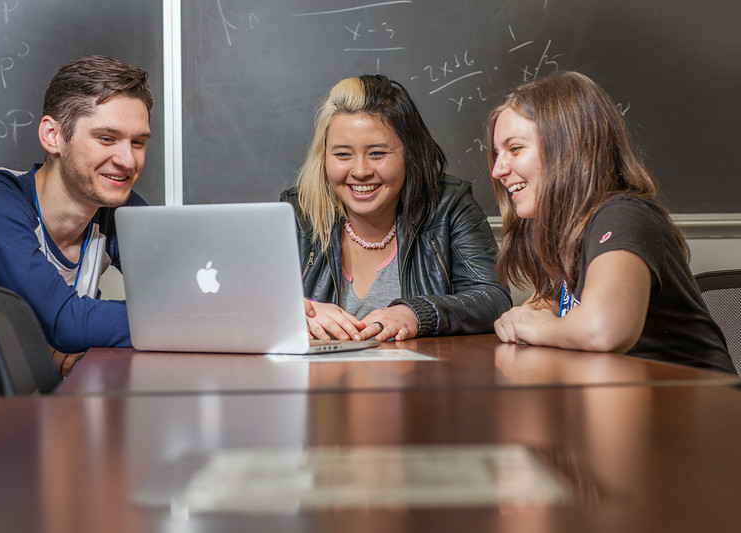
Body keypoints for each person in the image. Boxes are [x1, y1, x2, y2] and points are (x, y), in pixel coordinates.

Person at [488, 70, 732, 373]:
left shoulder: (623, 214)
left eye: (515, 149)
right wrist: (531, 321)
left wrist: (539, 328)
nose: (498, 170)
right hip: (626, 400)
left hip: (695, 411)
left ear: (567, 148)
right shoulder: (565, 231)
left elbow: (602, 330)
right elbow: (529, 314)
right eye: (497, 153)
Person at [0, 55, 153, 373]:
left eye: (138, 142)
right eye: (106, 138)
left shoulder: (116, 209)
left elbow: (190, 295)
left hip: (42, 413)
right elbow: (66, 324)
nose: (127, 160)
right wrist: (78, 327)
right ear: (53, 135)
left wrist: (91, 332)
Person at [281, 74, 512, 342]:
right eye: (343, 154)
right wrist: (298, 311)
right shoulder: (296, 214)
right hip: (319, 382)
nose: (360, 171)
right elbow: (242, 301)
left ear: (409, 154)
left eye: (377, 153)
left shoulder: (449, 205)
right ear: (323, 158)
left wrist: (416, 313)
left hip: (422, 380)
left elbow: (492, 298)